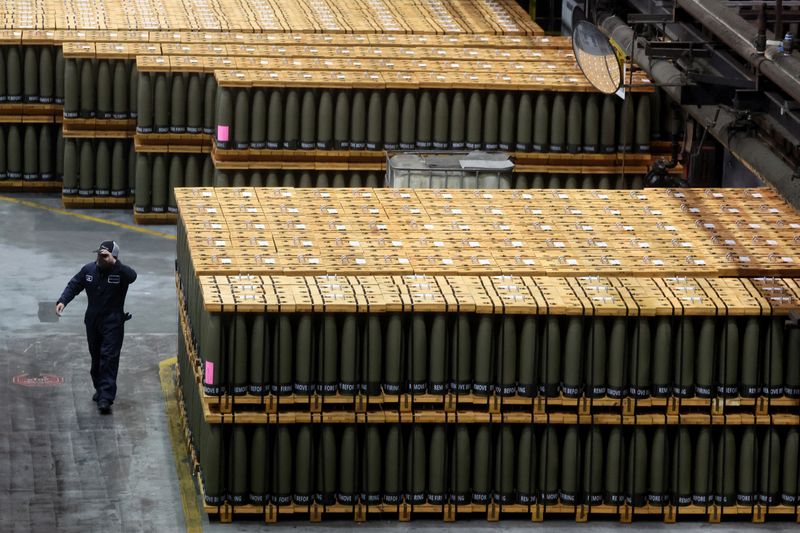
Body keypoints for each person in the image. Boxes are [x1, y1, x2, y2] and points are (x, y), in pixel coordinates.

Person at [56, 240, 137, 414]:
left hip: (113, 323)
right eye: (99, 254)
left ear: (113, 257)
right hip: (92, 321)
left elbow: (133, 276)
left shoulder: (120, 273)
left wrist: (116, 264)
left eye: (105, 255)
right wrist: (63, 301)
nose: (100, 258)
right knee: (96, 357)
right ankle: (100, 388)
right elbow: (74, 284)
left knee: (108, 358)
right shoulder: (88, 270)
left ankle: (106, 398)